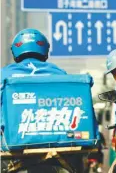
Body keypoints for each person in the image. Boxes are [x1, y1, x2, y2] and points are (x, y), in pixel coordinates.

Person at [0, 28, 81, 173]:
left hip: (10, 149)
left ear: (15, 51)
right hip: (55, 150)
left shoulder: (4, 74)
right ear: (45, 50)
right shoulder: (59, 73)